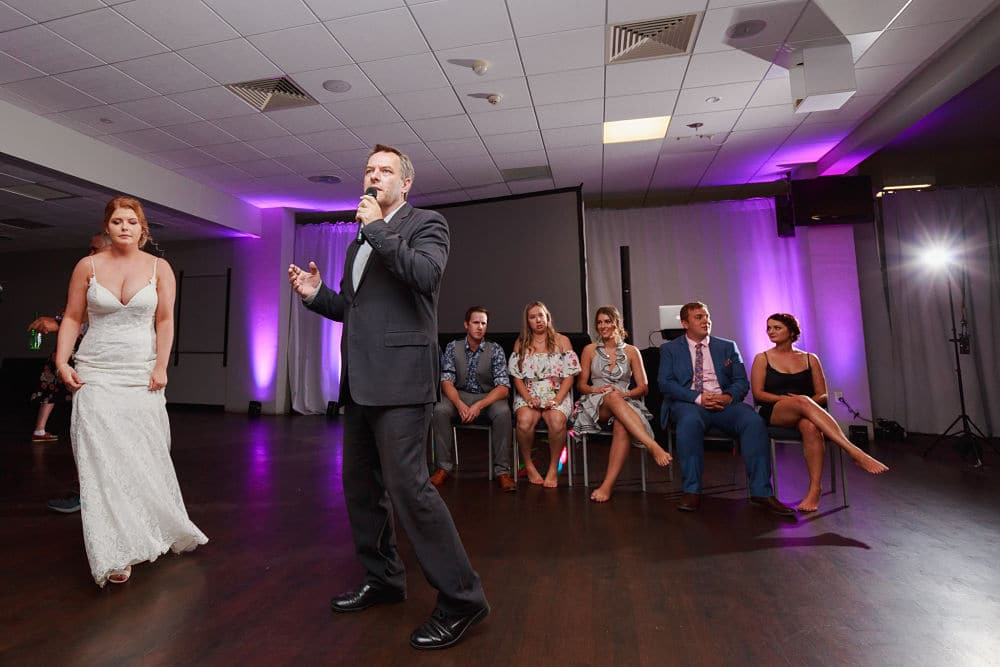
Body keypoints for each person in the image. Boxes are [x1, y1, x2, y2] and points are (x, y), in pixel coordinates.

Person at [288, 144, 489, 651]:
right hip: (359, 383)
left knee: (410, 490)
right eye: (368, 170)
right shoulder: (358, 242)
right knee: (360, 487)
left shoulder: (426, 224)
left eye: (385, 171)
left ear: (405, 184)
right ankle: (384, 579)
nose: (373, 176)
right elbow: (358, 312)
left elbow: (425, 277)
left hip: (402, 382)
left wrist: (378, 227)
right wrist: (317, 295)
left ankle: (463, 600)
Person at [55, 196, 207, 586]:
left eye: (132, 221)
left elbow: (166, 319)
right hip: (96, 374)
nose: (125, 227)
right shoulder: (87, 266)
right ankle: (115, 551)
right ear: (108, 226)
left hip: (140, 374)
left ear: (143, 229)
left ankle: (151, 527)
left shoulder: (160, 268)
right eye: (118, 221)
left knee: (142, 455)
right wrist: (61, 361)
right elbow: (73, 316)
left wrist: (161, 365)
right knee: (100, 461)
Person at [658, 302, 793, 515]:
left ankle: (761, 492)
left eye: (707, 316)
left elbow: (741, 381)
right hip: (690, 403)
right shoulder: (670, 349)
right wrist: (698, 398)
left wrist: (727, 397)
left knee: (753, 421)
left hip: (724, 403)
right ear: (685, 323)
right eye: (699, 317)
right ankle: (691, 490)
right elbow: (665, 383)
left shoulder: (727, 346)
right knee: (689, 423)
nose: (706, 320)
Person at [751, 313, 889, 511]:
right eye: (769, 328)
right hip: (776, 411)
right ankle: (853, 451)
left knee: (810, 426)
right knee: (802, 401)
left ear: (791, 332)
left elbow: (823, 395)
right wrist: (792, 401)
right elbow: (758, 394)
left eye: (777, 328)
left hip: (807, 413)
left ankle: (814, 489)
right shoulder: (762, 358)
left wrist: (805, 404)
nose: (771, 332)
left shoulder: (810, 359)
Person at [34, 235, 111, 514]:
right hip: (90, 364)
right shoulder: (89, 277)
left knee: (104, 434)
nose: (89, 252)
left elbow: (93, 315)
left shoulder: (125, 277)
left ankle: (100, 497)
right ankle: (88, 494)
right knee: (87, 432)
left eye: (94, 248)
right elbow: (76, 315)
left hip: (113, 366)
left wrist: (58, 324)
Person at [572, 306, 672, 502]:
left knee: (622, 425)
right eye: (599, 322)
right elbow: (581, 385)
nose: (603, 326)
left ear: (617, 324)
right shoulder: (589, 350)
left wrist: (625, 393)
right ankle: (652, 445)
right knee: (611, 396)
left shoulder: (632, 351)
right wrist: (595, 390)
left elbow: (644, 387)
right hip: (596, 403)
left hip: (624, 401)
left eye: (607, 321)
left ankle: (607, 486)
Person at [430, 306, 514, 492]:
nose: (480, 327)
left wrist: (479, 405)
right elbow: (446, 382)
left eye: (483, 323)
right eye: (476, 322)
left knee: (503, 412)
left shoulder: (495, 349)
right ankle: (443, 468)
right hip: (459, 394)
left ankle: (502, 472)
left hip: (487, 397)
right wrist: (459, 404)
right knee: (440, 410)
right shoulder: (453, 347)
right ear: (466, 324)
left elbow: (503, 388)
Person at [509, 301, 581, 488]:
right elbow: (516, 377)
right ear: (528, 322)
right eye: (532, 317)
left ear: (547, 317)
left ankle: (552, 469)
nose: (538, 320)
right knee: (524, 421)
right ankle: (530, 466)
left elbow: (569, 376)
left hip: (557, 392)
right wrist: (528, 398)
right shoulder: (521, 343)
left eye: (541, 315)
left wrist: (556, 399)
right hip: (529, 392)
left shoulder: (563, 341)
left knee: (557, 422)